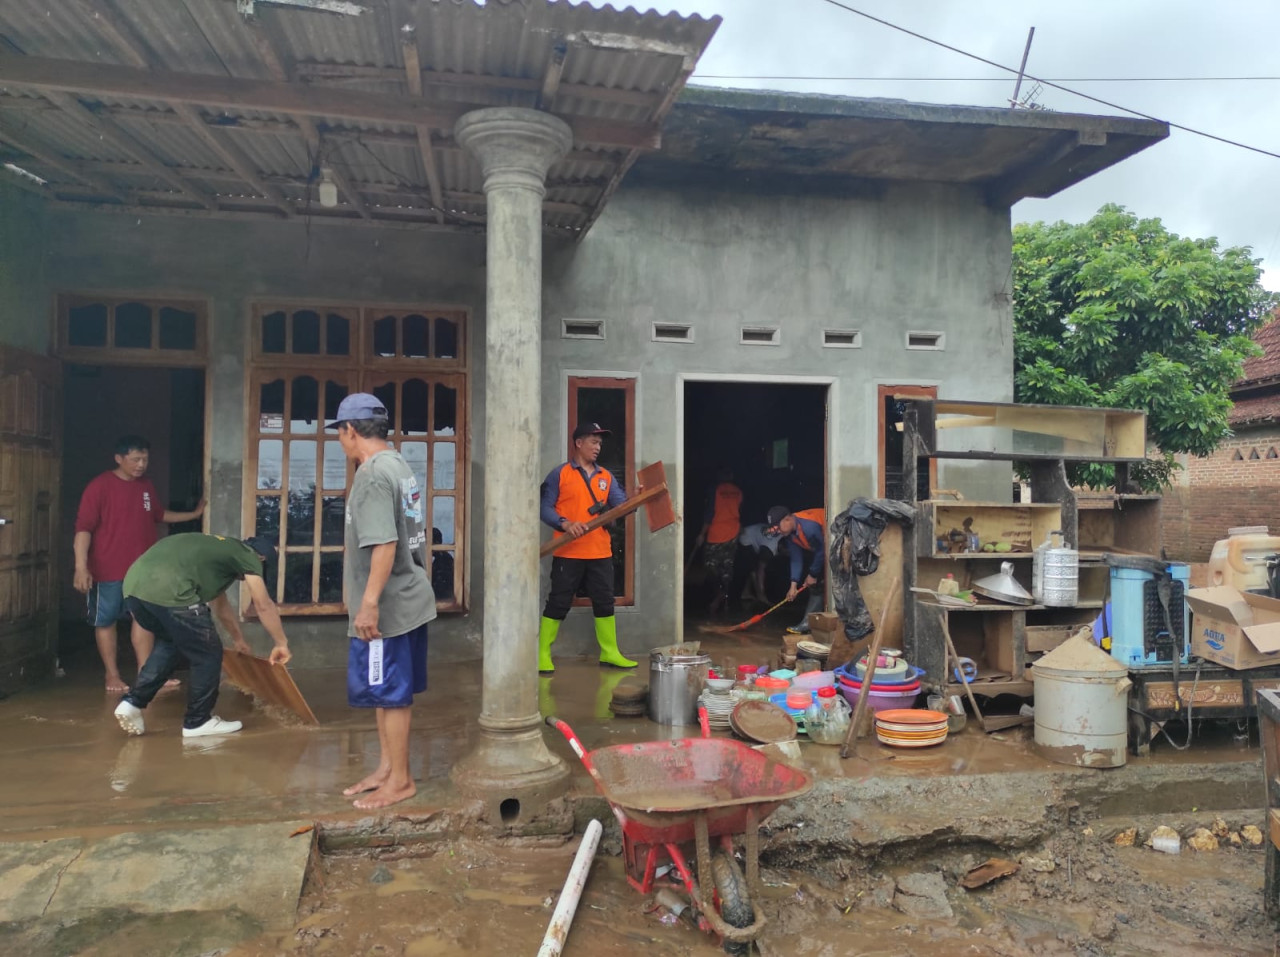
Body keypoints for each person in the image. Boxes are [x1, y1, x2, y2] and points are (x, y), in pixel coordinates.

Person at [328, 394, 436, 811]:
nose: (341, 441)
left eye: (340, 433)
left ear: (350, 430)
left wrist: (368, 603)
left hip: (388, 608)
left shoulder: (372, 475)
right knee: (384, 690)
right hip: (409, 597)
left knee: (390, 692)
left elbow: (385, 544)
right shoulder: (398, 464)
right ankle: (387, 769)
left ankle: (401, 780)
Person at [112, 533, 289, 738]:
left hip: (134, 590)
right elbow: (263, 604)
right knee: (207, 654)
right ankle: (198, 721)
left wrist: (238, 639)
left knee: (173, 643)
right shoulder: (247, 554)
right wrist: (281, 642)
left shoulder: (216, 554)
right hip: (172, 590)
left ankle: (132, 703)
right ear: (262, 558)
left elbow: (221, 607)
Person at [73, 434, 205, 692]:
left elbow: (158, 514)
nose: (141, 464)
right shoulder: (99, 486)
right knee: (105, 620)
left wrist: (193, 515)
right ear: (119, 459)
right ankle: (111, 675)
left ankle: (148, 674)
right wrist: (81, 566)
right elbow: (83, 529)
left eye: (145, 459)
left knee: (144, 619)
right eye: (135, 459)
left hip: (143, 570)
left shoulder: (145, 486)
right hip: (106, 568)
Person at [537, 422, 637, 674]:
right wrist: (565, 523)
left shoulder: (606, 477)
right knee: (559, 601)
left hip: (600, 551)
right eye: (593, 442)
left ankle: (610, 652)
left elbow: (621, 506)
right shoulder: (560, 474)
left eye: (600, 443)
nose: (598, 447)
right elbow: (544, 508)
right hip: (568, 551)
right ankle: (542, 653)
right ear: (578, 443)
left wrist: (638, 498)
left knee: (604, 602)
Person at [766, 505, 827, 635]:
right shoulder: (790, 534)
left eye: (778, 527)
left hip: (837, 544)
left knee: (820, 585)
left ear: (787, 519)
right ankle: (809, 623)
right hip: (824, 549)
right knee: (816, 585)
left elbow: (822, 551)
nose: (778, 532)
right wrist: (793, 585)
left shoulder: (809, 527)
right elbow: (796, 559)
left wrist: (813, 574)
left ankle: (809, 624)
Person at [694, 468, 743, 614]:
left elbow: (710, 513)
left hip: (716, 533)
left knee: (711, 566)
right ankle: (725, 599)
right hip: (733, 532)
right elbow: (739, 509)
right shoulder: (738, 491)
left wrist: (702, 534)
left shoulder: (714, 490)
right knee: (727, 568)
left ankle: (719, 595)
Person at [737, 522, 782, 605]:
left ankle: (746, 592)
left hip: (758, 534)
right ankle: (760, 595)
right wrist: (762, 591)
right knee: (754, 570)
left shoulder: (782, 536)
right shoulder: (769, 548)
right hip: (747, 537)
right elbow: (761, 570)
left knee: (755, 568)